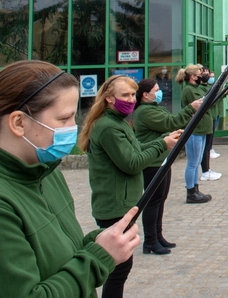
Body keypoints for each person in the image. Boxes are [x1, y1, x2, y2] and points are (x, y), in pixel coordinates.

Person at [0, 61, 140, 298]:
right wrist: (98, 258)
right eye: (64, 119)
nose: (73, 128)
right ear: (19, 122)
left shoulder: (46, 173)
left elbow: (58, 261)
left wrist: (101, 242)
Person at [79, 75, 182, 298]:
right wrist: (162, 144)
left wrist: (163, 140)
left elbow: (134, 149)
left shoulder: (118, 122)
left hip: (122, 204)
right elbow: (132, 163)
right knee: (118, 271)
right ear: (108, 99)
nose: (131, 99)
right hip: (115, 206)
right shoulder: (109, 127)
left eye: (132, 94)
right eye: (125, 95)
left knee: (120, 270)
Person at [132, 79, 203, 255]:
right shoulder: (146, 112)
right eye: (155, 90)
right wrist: (190, 108)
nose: (159, 92)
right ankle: (150, 241)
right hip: (152, 162)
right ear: (145, 95)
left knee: (160, 199)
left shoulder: (153, 108)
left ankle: (158, 236)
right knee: (153, 201)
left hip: (161, 160)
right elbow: (171, 122)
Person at [177, 65, 214, 202]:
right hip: (195, 130)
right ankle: (191, 191)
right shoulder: (189, 90)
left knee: (197, 161)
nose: (203, 75)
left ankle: (195, 188)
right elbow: (204, 103)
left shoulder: (196, 88)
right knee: (192, 162)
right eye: (200, 73)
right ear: (193, 77)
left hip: (202, 129)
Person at [200, 68, 223, 179]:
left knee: (207, 145)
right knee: (204, 147)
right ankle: (205, 172)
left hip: (211, 116)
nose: (209, 77)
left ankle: (206, 170)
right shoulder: (197, 89)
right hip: (205, 120)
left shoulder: (207, 87)